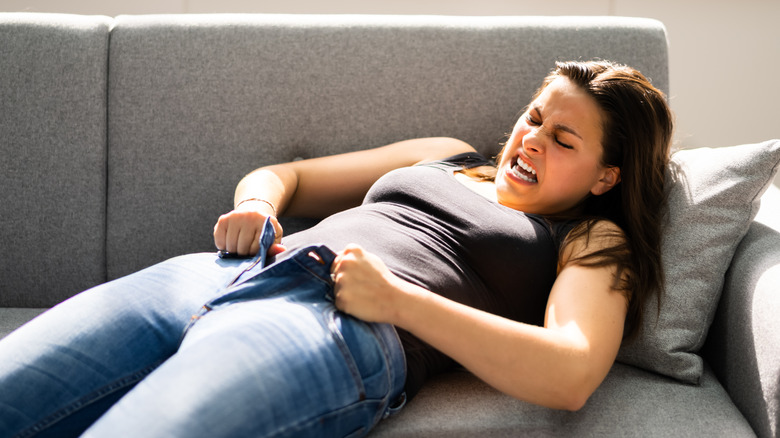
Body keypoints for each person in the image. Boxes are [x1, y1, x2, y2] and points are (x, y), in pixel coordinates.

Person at [0, 60, 673, 437]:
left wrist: (400, 303)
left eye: (564, 141)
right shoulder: (446, 156)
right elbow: (288, 175)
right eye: (535, 117)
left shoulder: (590, 237)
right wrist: (257, 205)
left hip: (330, 326)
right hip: (213, 274)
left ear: (606, 176)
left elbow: (570, 373)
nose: (531, 139)